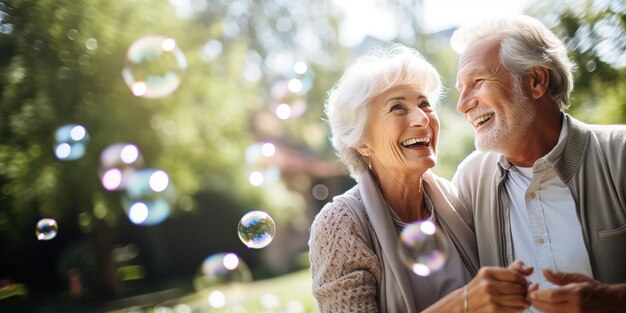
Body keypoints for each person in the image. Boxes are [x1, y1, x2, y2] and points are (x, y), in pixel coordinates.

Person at [308, 42, 532, 312]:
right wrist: (463, 304)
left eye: (424, 104)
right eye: (397, 108)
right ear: (363, 142)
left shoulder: (454, 200)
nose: (422, 119)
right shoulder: (339, 225)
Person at [450, 15, 626, 312]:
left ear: (536, 81)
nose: (463, 104)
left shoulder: (620, 154)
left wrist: (615, 300)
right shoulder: (469, 180)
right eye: (460, 90)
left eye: (477, 82)